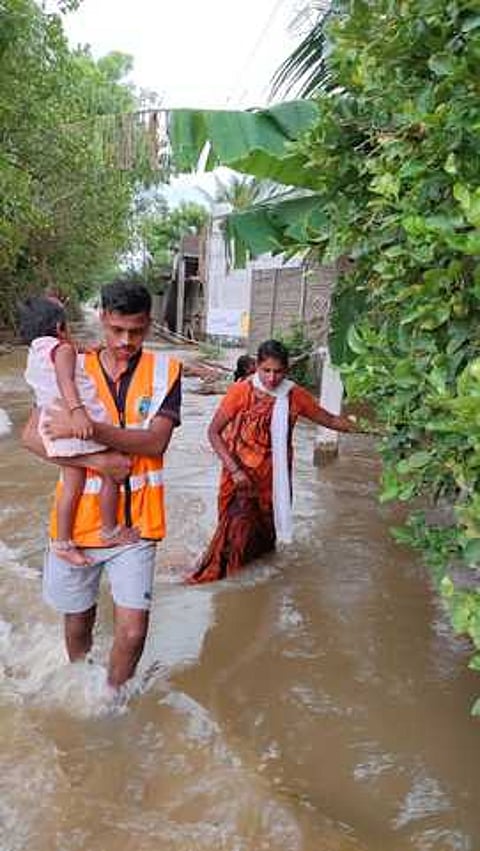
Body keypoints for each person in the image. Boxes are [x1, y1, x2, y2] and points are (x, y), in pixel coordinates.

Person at [22, 281, 182, 688]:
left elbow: (155, 442)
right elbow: (32, 437)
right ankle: (82, 683)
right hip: (77, 524)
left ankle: (111, 699)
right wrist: (96, 459)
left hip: (136, 526)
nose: (126, 341)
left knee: (132, 631)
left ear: (150, 324)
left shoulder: (166, 372)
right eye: (117, 330)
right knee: (78, 623)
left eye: (137, 331)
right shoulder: (71, 363)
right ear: (102, 320)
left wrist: (90, 428)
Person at [188, 339, 356, 584]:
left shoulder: (295, 396)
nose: (272, 378)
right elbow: (213, 433)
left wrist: (371, 429)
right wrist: (235, 470)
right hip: (239, 481)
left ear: (286, 370)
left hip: (273, 482)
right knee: (233, 539)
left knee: (265, 539)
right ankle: (217, 586)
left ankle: (257, 591)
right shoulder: (240, 391)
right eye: (266, 370)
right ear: (257, 366)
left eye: (278, 372)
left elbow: (330, 420)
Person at [20, 296, 137, 568]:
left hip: (50, 424)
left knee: (72, 485)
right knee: (114, 466)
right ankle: (109, 529)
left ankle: (61, 542)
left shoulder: (36, 353)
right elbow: (65, 378)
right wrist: (78, 413)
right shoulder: (63, 350)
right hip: (76, 420)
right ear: (61, 326)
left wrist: (86, 350)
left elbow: (56, 371)